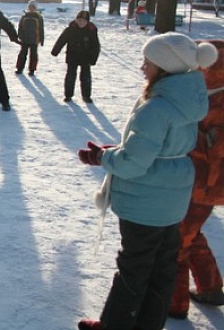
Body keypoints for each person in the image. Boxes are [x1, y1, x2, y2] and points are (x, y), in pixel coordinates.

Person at [76, 33, 218, 330]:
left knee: (134, 267)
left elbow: (133, 163)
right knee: (162, 268)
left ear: (165, 67)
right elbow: (160, 149)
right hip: (172, 199)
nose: (142, 67)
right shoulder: (186, 100)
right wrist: (113, 152)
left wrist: (101, 159)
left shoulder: (156, 108)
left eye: (148, 62)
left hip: (145, 202)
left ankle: (115, 325)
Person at [169, 39, 224, 320]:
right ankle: (211, 287)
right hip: (209, 186)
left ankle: (174, 302)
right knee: (191, 232)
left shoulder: (209, 103)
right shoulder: (208, 97)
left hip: (200, 184)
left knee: (176, 241)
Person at [51, 10, 100, 103]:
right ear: (76, 20)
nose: (81, 23)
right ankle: (68, 95)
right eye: (79, 20)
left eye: (83, 21)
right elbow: (61, 40)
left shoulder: (91, 30)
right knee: (70, 76)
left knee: (85, 77)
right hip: (72, 56)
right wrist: (55, 50)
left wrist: (93, 59)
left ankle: (86, 96)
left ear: (87, 22)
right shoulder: (70, 29)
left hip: (86, 57)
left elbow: (96, 46)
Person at [15, 0, 45, 76]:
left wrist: (41, 39)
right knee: (22, 54)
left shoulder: (38, 17)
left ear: (35, 8)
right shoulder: (24, 16)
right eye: (30, 7)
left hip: (34, 40)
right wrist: (19, 36)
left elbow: (41, 28)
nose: (31, 8)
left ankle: (32, 70)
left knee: (33, 55)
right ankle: (19, 68)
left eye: (33, 7)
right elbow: (20, 27)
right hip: (25, 39)